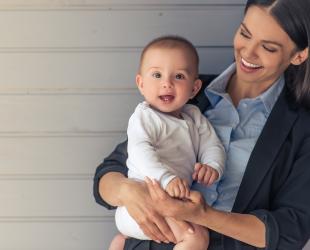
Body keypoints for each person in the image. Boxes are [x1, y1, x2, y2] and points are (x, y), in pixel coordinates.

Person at [93, 0, 310, 249]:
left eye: (268, 48)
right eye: (245, 34)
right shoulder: (184, 90)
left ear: (299, 55)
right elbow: (109, 172)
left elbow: (290, 232)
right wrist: (129, 192)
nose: (248, 53)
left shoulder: (301, 128)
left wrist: (201, 216)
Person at [109, 35, 226, 250]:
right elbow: (140, 151)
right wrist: (166, 178)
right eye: (157, 75)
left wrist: (212, 166)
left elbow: (212, 145)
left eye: (179, 76)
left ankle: (119, 244)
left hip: (170, 203)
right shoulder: (143, 117)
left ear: (194, 88)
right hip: (143, 202)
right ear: (141, 84)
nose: (167, 83)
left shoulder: (194, 116)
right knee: (196, 236)